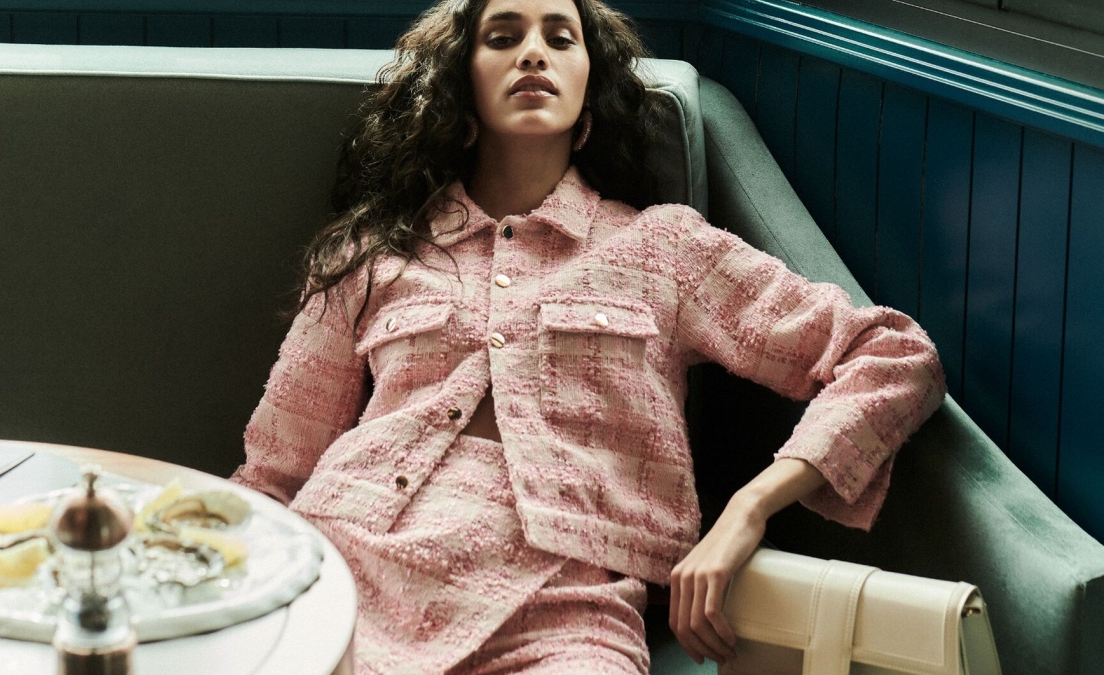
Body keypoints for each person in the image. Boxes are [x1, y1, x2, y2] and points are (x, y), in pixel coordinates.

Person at [231, 0, 946, 672]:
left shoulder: (664, 250)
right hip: (346, 577)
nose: (533, 53)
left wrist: (748, 509)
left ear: (589, 86)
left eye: (559, 38)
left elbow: (893, 356)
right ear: (461, 86)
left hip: (565, 611)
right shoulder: (371, 256)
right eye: (503, 37)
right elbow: (274, 475)